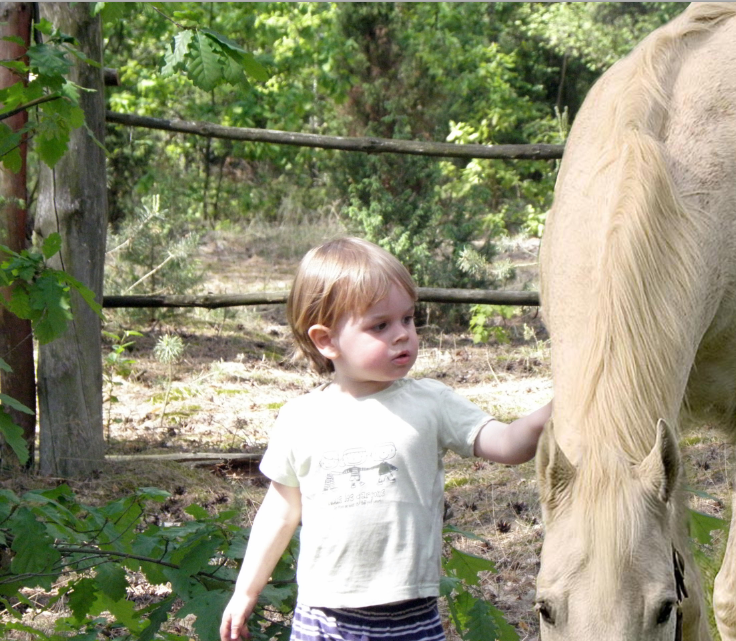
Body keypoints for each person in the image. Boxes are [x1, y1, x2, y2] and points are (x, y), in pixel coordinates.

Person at [220, 237, 552, 641]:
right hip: (323, 618)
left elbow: (505, 444)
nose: (402, 335)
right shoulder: (300, 418)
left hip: (410, 615)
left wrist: (555, 412)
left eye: (408, 319)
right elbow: (280, 512)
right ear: (326, 340)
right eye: (380, 325)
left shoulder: (431, 402)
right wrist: (246, 590)